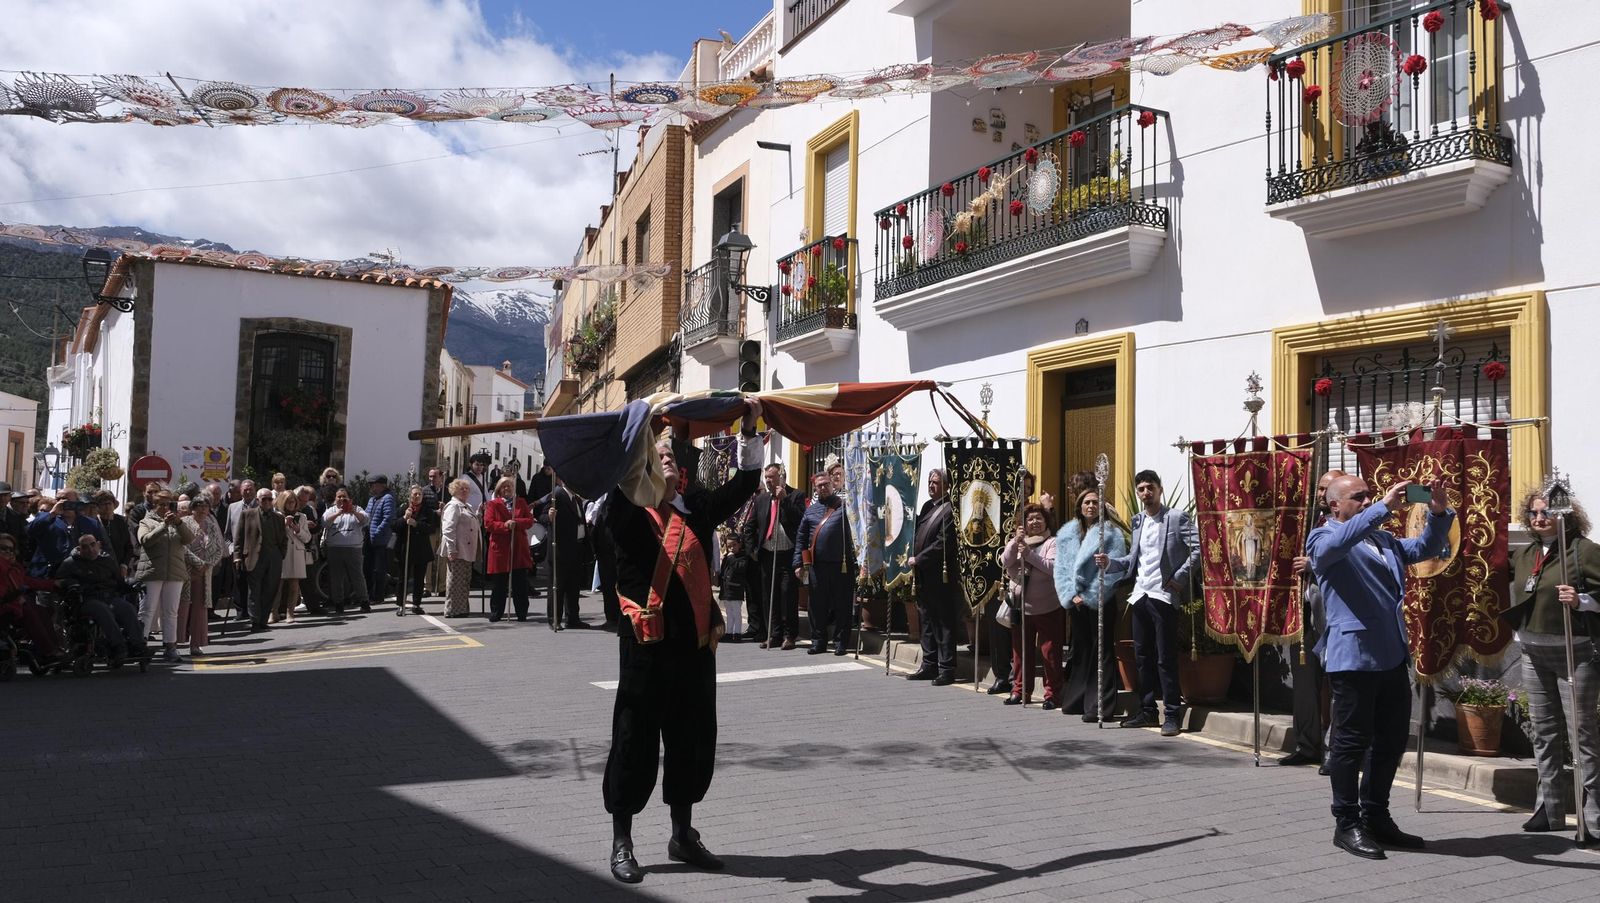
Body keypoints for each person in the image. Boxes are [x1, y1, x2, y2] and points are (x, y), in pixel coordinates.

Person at [603, 401, 762, 884]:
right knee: (635, 740)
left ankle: (682, 834)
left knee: (692, 740)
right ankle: (622, 840)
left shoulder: (697, 512)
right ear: (644, 466)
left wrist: (749, 427)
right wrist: (646, 427)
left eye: (672, 453)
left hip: (694, 650)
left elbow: (745, 485)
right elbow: (624, 477)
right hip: (646, 651)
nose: (667, 457)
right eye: (659, 453)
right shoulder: (629, 512)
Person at [1308, 475, 1452, 860]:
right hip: (1352, 657)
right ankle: (1346, 822)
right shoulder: (1323, 538)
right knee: (1350, 744)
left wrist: (1437, 510)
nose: (1369, 499)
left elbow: (1427, 547)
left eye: (1369, 495)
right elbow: (1337, 545)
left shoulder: (1383, 540)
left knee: (1389, 741)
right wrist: (1383, 506)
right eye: (1359, 497)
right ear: (1335, 505)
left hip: (1390, 654)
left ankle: (1376, 816)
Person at [1505, 486, 1600, 843]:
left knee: (1582, 734)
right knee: (1543, 733)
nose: (1540, 518)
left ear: (1566, 514)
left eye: (1547, 512)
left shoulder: (1585, 552)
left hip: (1575, 654)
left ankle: (1593, 815)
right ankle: (1550, 807)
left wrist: (1582, 600)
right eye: (1533, 513)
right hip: (1532, 651)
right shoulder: (1526, 553)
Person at [1095, 469, 1199, 737]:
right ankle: (1148, 710)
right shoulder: (1138, 520)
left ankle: (1173, 714)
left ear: (1159, 489)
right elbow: (1133, 559)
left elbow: (1198, 549)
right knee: (1142, 657)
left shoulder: (1176, 518)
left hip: (1163, 595)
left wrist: (1178, 579)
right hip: (1140, 594)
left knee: (1165, 657)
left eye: (1149, 487)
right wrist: (1111, 563)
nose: (1145, 493)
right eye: (1140, 489)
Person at [1283, 469, 1345, 769]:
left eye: (1327, 489)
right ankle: (1306, 745)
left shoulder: (1348, 524)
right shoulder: (1304, 520)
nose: (1321, 495)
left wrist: (1314, 563)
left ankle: (1334, 752)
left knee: (1336, 688)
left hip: (1333, 619)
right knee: (1305, 685)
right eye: (1319, 489)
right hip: (1303, 615)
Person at [1056, 488, 1128, 721]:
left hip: (1100, 601)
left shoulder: (1111, 534)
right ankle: (1078, 698)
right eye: (1086, 502)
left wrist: (1090, 596)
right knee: (1082, 651)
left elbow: (1114, 571)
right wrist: (1071, 595)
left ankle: (1100, 705)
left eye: (1095, 502)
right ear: (1079, 506)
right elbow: (1062, 568)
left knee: (1102, 651)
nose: (1090, 506)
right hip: (1076, 603)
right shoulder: (1067, 533)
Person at [1000, 503, 1063, 708]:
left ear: (1046, 521)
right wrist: (1015, 542)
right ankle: (1019, 690)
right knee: (1020, 653)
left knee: (1050, 653)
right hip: (1021, 608)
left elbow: (1052, 568)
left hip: (1047, 606)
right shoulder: (1020, 542)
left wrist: (1029, 555)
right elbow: (1005, 561)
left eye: (1038, 518)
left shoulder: (1052, 542)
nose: (1034, 522)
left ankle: (1052, 694)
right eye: (1030, 519)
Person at [906, 468, 963, 686]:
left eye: (936, 482)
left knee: (943, 622)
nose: (931, 486)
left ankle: (947, 668)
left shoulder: (950, 510)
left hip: (941, 575)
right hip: (923, 575)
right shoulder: (927, 506)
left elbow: (943, 543)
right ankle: (929, 664)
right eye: (930, 482)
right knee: (926, 620)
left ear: (947, 486)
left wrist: (920, 559)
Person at [54, 534, 147, 665]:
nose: (90, 549)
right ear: (79, 548)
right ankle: (118, 646)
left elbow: (119, 581)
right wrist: (71, 584)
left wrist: (133, 583)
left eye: (92, 545)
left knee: (127, 608)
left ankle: (138, 645)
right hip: (86, 600)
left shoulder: (107, 561)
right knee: (102, 610)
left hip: (110, 597)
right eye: (85, 547)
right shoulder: (71, 563)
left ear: (98, 545)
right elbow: (58, 581)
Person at [743, 463, 805, 650]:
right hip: (767, 555)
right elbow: (750, 527)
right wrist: (752, 551)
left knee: (787, 596)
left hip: (787, 555)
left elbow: (801, 521)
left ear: (781, 477)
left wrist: (784, 501)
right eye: (767, 477)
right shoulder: (761, 499)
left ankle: (789, 635)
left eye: (772, 477)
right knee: (769, 596)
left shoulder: (796, 495)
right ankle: (774, 634)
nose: (769, 481)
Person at [794, 471, 856, 656]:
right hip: (817, 566)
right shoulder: (811, 511)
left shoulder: (845, 507)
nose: (823, 487)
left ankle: (840, 642)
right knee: (817, 606)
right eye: (819, 485)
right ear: (815, 488)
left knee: (842, 606)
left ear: (832, 484)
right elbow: (801, 537)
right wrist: (798, 563)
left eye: (826, 484)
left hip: (841, 565)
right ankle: (818, 641)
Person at [134, 488, 194, 663]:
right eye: (161, 504)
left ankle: (170, 646)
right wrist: (163, 526)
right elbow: (145, 540)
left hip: (174, 572)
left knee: (171, 611)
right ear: (154, 505)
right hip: (152, 571)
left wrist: (179, 523)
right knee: (147, 610)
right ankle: (140, 645)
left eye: (169, 504)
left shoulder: (177, 521)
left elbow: (189, 539)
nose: (165, 507)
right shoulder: (146, 521)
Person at [179, 496, 224, 656]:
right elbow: (182, 547)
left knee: (200, 607)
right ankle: (175, 642)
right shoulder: (184, 523)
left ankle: (195, 644)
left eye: (205, 506)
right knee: (183, 606)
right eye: (199, 506)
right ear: (192, 508)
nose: (203, 509)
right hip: (187, 569)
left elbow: (219, 547)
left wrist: (208, 564)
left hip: (205, 572)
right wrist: (198, 563)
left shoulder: (211, 525)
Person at [485, 476, 533, 622]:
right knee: (499, 583)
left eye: (510, 486)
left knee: (520, 583)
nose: (507, 489)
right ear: (499, 489)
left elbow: (529, 521)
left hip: (518, 547)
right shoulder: (493, 504)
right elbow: (489, 524)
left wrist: (516, 523)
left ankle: (521, 612)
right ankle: (496, 611)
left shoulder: (521, 502)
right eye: (504, 486)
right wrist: (505, 525)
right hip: (500, 548)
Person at [238, 487, 286, 632]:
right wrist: (237, 556)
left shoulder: (278, 517)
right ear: (258, 500)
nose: (267, 501)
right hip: (254, 558)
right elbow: (238, 538)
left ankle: (263, 620)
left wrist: (281, 554)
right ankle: (255, 621)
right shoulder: (247, 515)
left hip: (274, 558)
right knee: (254, 592)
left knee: (270, 590)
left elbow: (283, 539)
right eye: (263, 499)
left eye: (269, 499)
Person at [547, 477, 591, 629]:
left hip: (576, 547)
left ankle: (573, 617)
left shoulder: (577, 499)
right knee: (558, 586)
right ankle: (554, 619)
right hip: (561, 548)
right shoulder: (557, 494)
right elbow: (542, 515)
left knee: (573, 586)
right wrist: (549, 517)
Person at [26, 497, 109, 577]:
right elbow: (30, 530)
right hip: (47, 573)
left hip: (79, 574)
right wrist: (52, 513)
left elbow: (103, 546)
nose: (61, 502)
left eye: (66, 500)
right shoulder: (48, 518)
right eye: (58, 499)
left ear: (76, 502)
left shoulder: (90, 523)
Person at [321, 487, 368, 617]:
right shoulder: (331, 510)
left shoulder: (357, 509)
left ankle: (364, 601)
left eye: (344, 497)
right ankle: (338, 604)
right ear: (335, 499)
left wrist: (353, 511)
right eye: (339, 497)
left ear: (350, 499)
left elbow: (365, 520)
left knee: (357, 577)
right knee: (336, 578)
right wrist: (338, 513)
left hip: (354, 549)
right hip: (334, 549)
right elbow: (324, 522)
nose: (342, 499)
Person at [394, 484, 437, 615]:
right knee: (403, 578)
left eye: (419, 494)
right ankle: (400, 604)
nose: (417, 496)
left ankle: (416, 603)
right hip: (405, 548)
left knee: (419, 579)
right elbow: (394, 526)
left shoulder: (428, 511)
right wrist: (404, 519)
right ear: (410, 496)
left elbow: (431, 528)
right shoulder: (403, 508)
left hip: (421, 549)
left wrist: (417, 524)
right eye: (415, 494)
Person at [439, 478, 479, 618]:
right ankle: (452, 609)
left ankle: (461, 608)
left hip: (466, 549)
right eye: (461, 488)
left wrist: (479, 512)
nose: (465, 491)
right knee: (455, 580)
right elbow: (448, 529)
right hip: (458, 548)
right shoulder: (453, 506)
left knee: (464, 580)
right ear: (454, 490)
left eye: (467, 488)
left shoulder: (466, 505)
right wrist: (451, 548)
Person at [273, 490, 313, 624]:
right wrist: (284, 525)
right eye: (289, 501)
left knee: (294, 585)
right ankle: (274, 612)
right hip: (281, 553)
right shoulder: (276, 516)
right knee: (277, 585)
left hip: (296, 552)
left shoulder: (301, 517)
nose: (291, 504)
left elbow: (307, 538)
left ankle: (290, 613)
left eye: (294, 501)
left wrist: (297, 530)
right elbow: (274, 536)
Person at [226, 478, 259, 622]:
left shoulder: (261, 505)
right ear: (240, 491)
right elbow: (228, 533)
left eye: (250, 488)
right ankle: (241, 611)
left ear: (255, 490)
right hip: (237, 552)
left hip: (255, 551)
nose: (248, 491)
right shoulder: (232, 507)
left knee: (255, 583)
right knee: (239, 582)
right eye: (245, 489)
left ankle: (255, 612)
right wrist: (231, 549)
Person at [364, 475, 396, 610]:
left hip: (381, 540)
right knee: (368, 568)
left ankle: (378, 596)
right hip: (369, 539)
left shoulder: (388, 498)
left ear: (382, 485)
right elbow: (366, 515)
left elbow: (388, 517)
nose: (371, 487)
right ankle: (369, 595)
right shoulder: (372, 499)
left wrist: (377, 531)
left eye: (374, 484)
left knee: (379, 569)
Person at [92, 490, 138, 577]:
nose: (107, 506)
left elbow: (129, 547)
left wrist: (124, 565)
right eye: (103, 504)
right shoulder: (94, 522)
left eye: (109, 503)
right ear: (97, 506)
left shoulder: (122, 521)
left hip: (120, 569)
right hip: (99, 570)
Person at [420, 468, 447, 596]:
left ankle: (442, 587)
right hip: (430, 528)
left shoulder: (447, 491)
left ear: (441, 477)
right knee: (428, 558)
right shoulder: (424, 491)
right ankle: (427, 587)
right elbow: (422, 509)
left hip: (443, 528)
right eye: (430, 476)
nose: (431, 479)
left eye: (434, 476)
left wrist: (445, 507)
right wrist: (434, 512)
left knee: (442, 558)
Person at [716, 534, 748, 642]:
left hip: (736, 589)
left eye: (734, 545)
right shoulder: (727, 557)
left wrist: (730, 558)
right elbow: (723, 571)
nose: (731, 548)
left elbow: (739, 567)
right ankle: (729, 632)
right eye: (729, 546)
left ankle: (737, 633)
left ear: (739, 544)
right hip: (726, 589)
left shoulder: (742, 557)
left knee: (736, 612)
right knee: (729, 612)